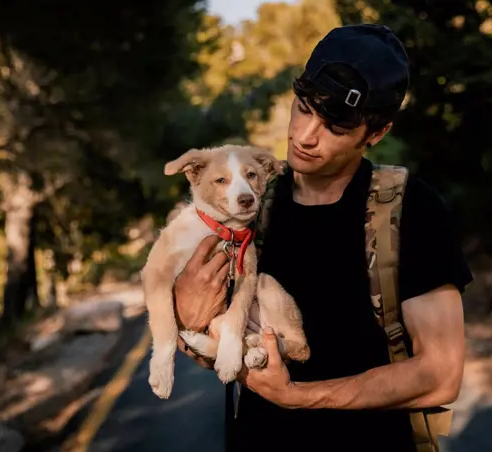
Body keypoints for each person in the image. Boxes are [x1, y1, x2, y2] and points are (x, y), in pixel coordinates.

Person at [173, 24, 473, 452]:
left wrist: (297, 398)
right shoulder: (253, 204)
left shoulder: (413, 211)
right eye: (303, 108)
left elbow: (441, 374)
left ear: (376, 133)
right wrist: (191, 320)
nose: (305, 136)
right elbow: (213, 349)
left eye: (335, 126)